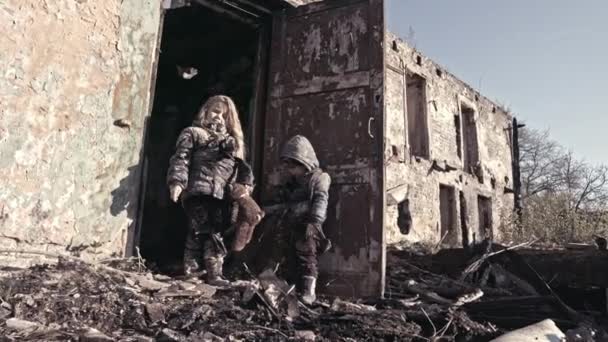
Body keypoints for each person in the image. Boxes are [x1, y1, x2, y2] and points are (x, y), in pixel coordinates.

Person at [166, 95, 253, 286]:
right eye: (215, 111)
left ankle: (212, 273)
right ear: (205, 111)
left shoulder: (232, 142)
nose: (218, 117)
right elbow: (181, 158)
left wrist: (245, 189)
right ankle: (196, 272)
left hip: (222, 196)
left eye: (224, 115)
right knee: (201, 230)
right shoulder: (194, 133)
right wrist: (177, 182)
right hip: (199, 191)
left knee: (218, 232)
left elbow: (242, 168)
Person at [270, 135, 332, 304]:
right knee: (287, 255)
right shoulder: (292, 182)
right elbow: (285, 203)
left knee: (307, 256)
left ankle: (308, 291)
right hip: (291, 223)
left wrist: (315, 222)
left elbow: (321, 199)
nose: (290, 170)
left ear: (304, 163)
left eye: (293, 166)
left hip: (308, 225)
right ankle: (288, 289)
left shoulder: (319, 178)